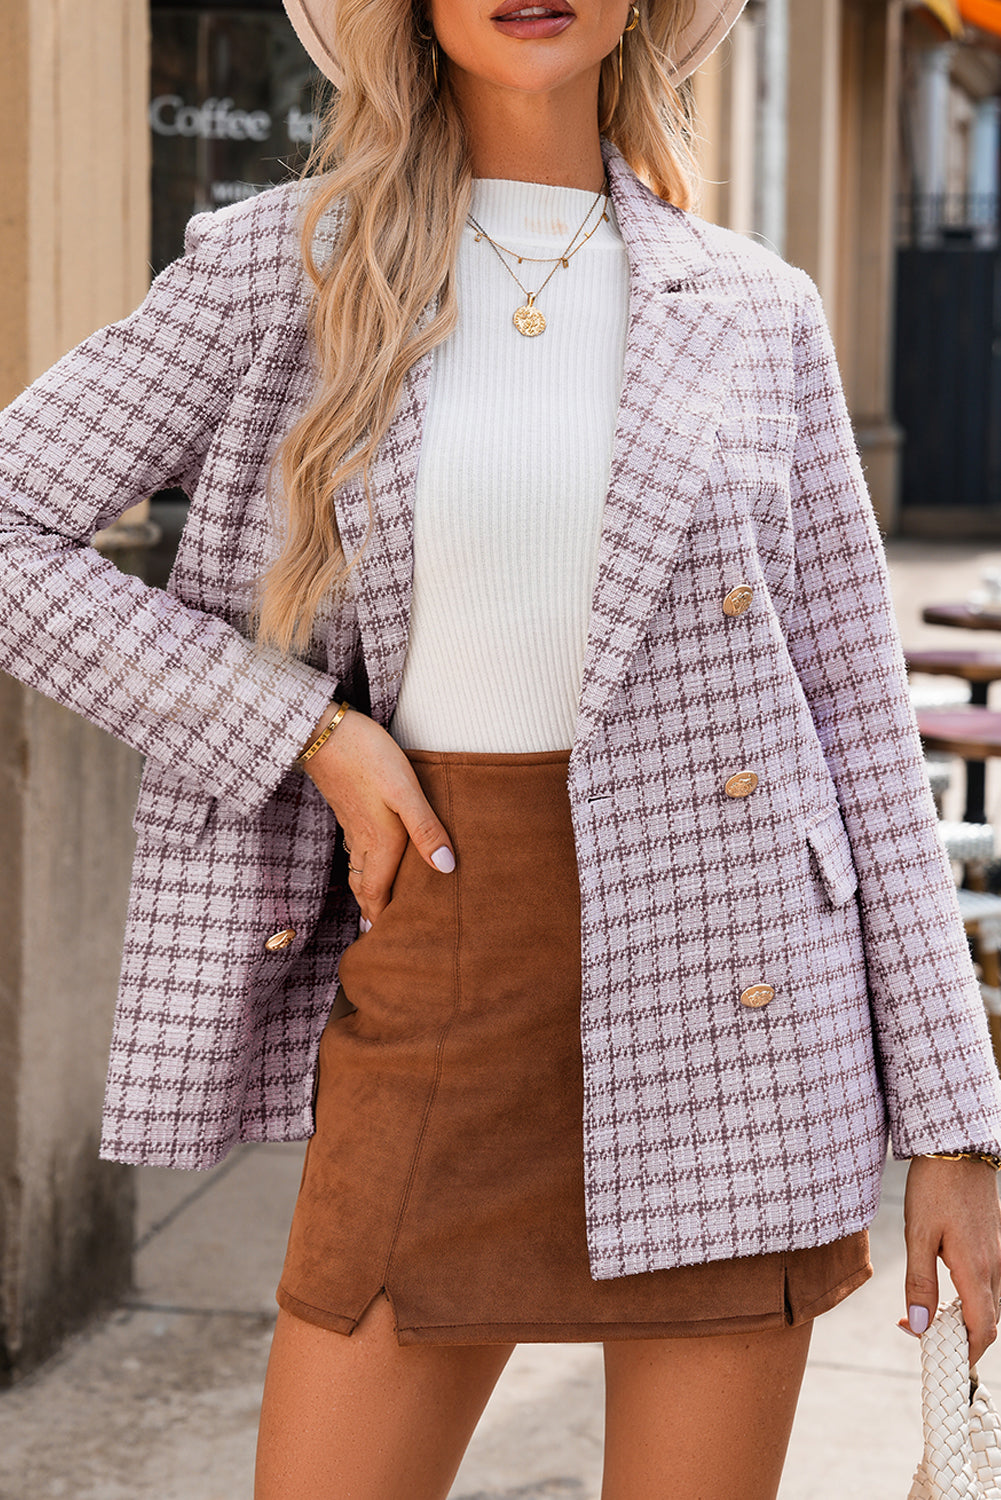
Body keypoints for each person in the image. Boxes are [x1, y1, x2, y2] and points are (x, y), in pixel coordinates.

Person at [1, 0, 1000, 1495]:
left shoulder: (754, 306)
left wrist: (956, 1132)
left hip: (739, 1005)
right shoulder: (283, 267)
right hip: (450, 952)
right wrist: (307, 734)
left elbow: (854, 724)